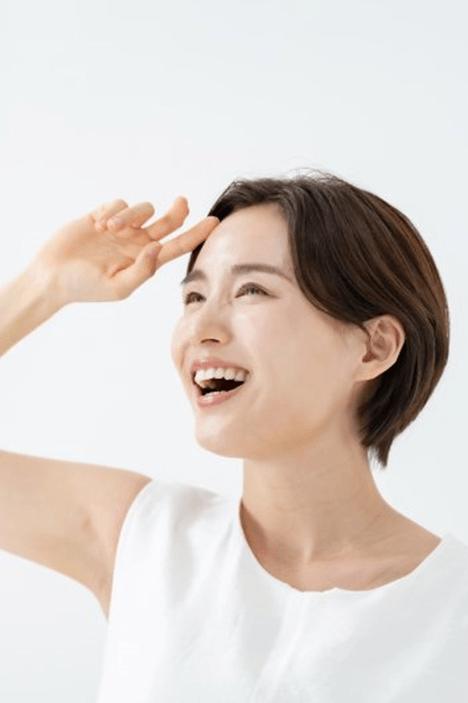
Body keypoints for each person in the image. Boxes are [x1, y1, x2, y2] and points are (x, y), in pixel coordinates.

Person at [0, 170, 467, 702]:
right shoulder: (144, 541)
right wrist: (41, 286)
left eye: (252, 290)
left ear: (373, 348)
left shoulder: (453, 610)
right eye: (194, 297)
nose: (201, 329)